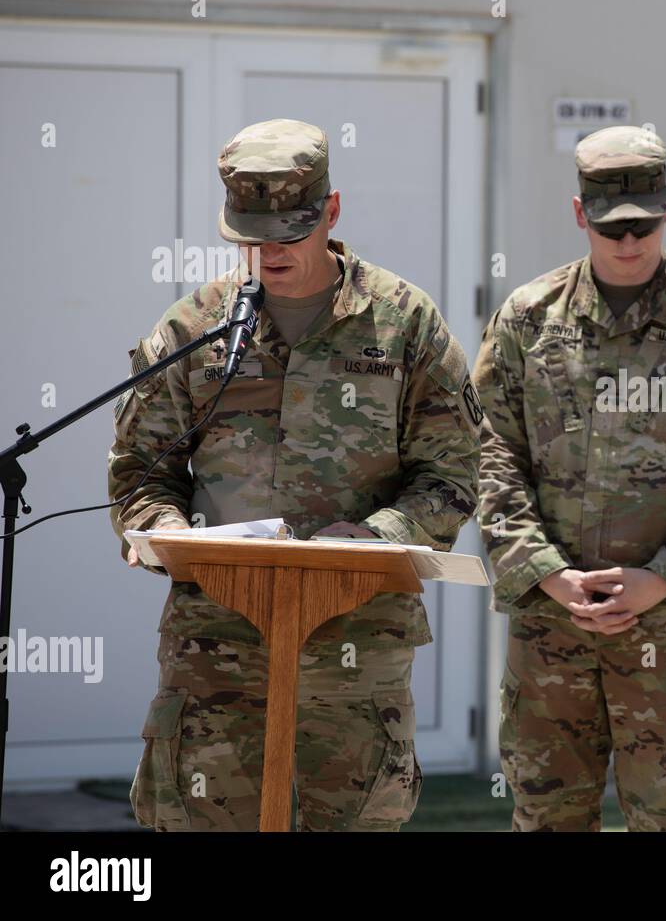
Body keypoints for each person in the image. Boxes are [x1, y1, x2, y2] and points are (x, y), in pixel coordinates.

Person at [108, 118, 481, 831]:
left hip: (354, 651)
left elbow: (454, 472)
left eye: (289, 232)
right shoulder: (197, 327)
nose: (269, 252)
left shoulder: (403, 323)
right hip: (218, 650)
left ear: (331, 212)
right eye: (250, 235)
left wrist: (377, 535)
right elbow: (139, 473)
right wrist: (164, 532)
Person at [473, 124, 666, 831]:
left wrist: (664, 578)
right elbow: (490, 455)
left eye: (643, 224)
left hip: (665, 628)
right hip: (551, 625)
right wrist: (545, 571)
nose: (628, 241)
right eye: (611, 226)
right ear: (579, 213)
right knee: (548, 817)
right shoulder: (526, 319)